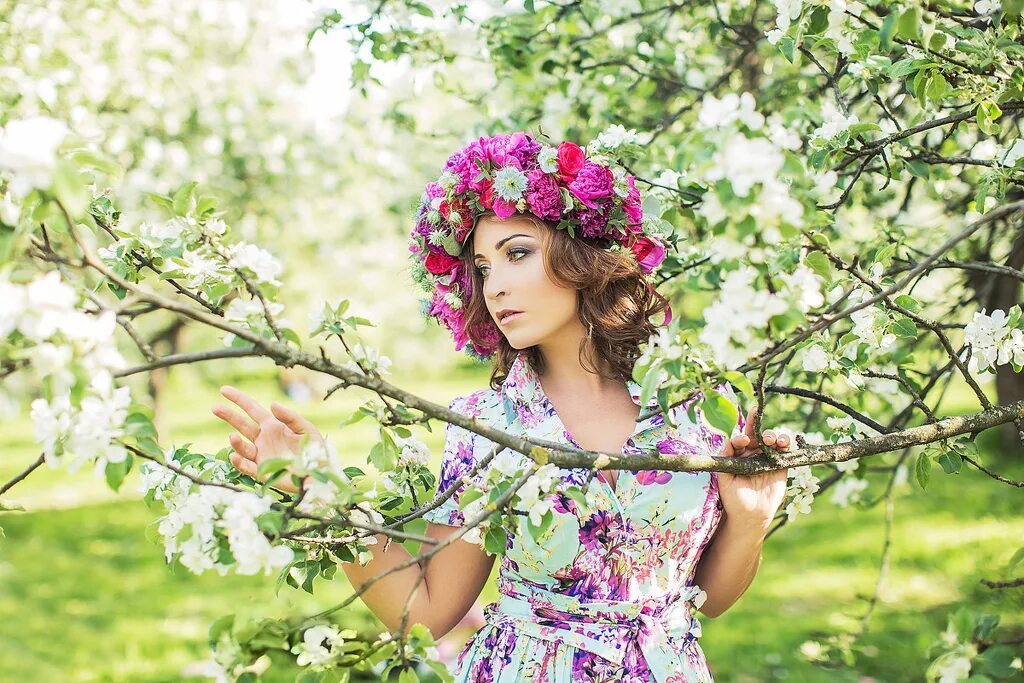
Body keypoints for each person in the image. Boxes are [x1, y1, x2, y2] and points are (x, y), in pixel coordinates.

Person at [212, 131, 792, 682]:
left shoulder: (693, 410)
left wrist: (750, 522)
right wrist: (322, 494)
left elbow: (709, 599)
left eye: (517, 253)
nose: (494, 287)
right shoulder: (488, 428)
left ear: (585, 255)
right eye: (483, 270)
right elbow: (426, 612)